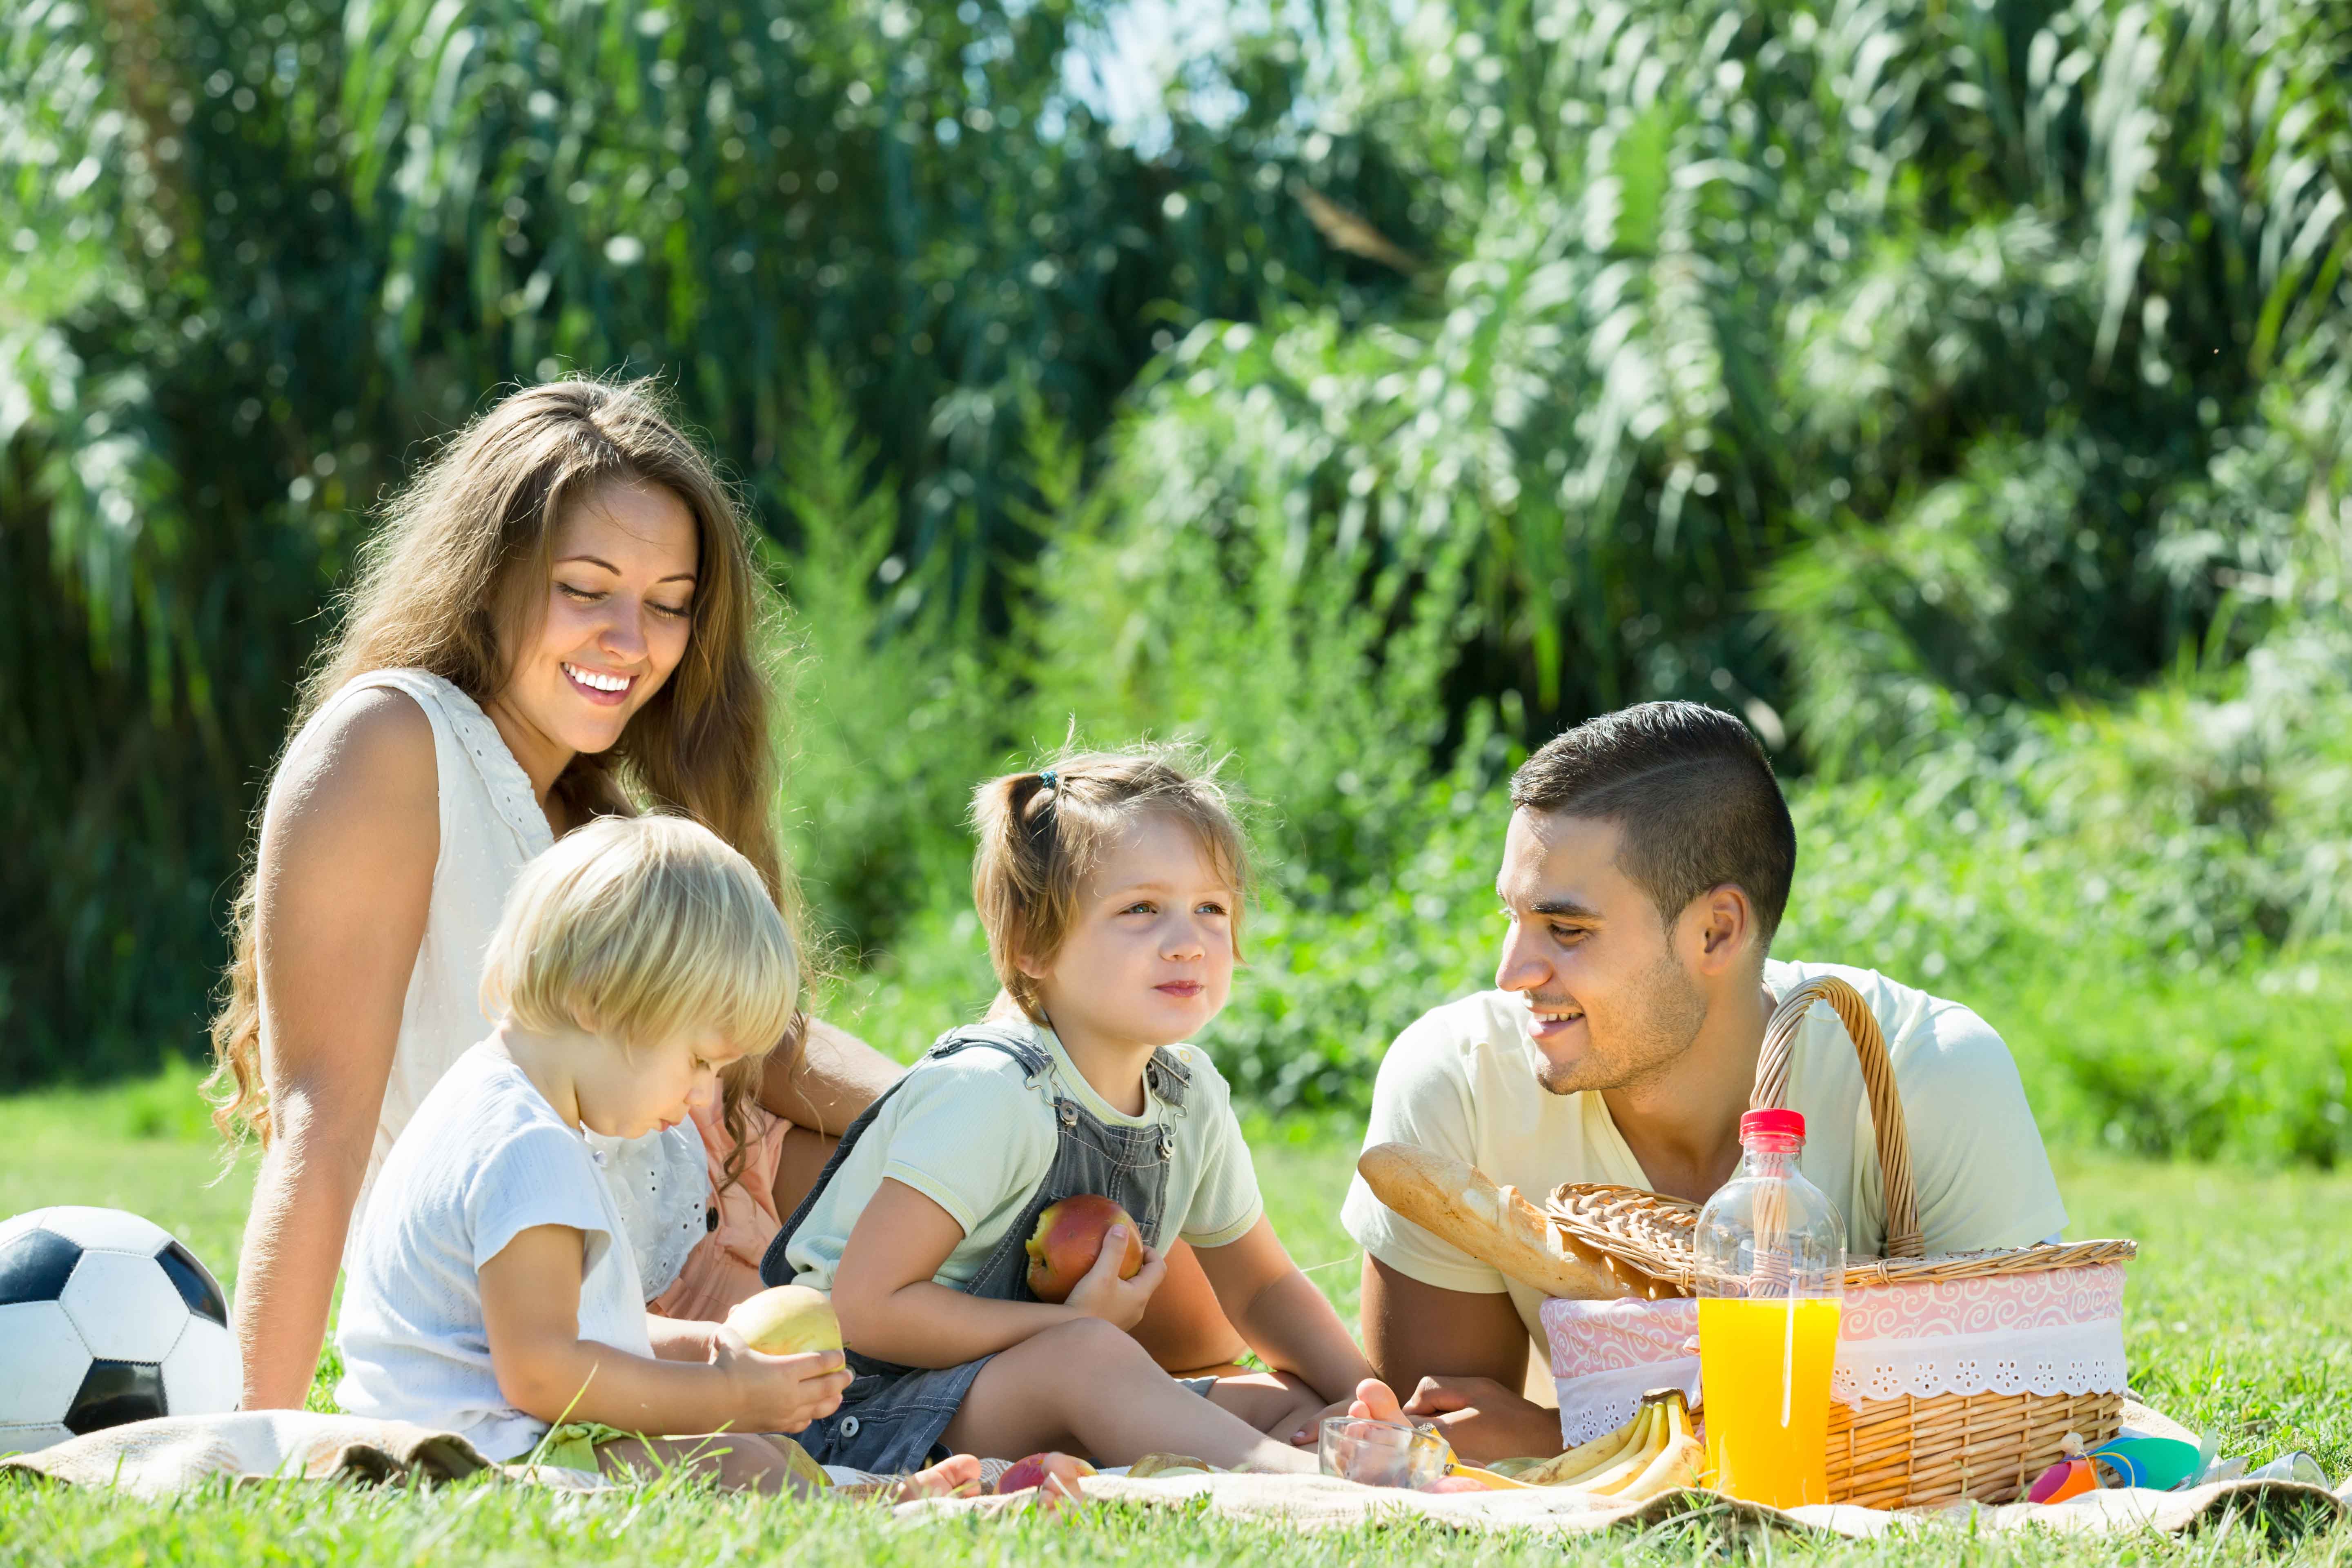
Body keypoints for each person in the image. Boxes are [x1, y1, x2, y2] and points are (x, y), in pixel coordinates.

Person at [207, 379, 907, 1409]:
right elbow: (325, 1124)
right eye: (587, 589)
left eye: (669, 605)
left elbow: (762, 1043)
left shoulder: (586, 816)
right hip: (553, 1302)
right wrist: (255, 1440)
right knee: (982, 1225)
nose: (632, 640)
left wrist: (952, 1113)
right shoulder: (392, 744)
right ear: (487, 576)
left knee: (1010, 1174)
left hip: (675, 1244)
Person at [1341, 702, 2068, 1462]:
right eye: (1512, 916)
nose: (1511, 971)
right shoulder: (1456, 1083)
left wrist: (1579, 1441)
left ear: (1716, 931)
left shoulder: (1929, 1073)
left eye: (1566, 930)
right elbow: (1442, 1436)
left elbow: (2016, 1428)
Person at [762, 750, 1372, 1474]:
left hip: (1022, 1387)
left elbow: (1263, 1287)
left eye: (1211, 907)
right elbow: (872, 1308)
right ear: (1032, 946)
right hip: (858, 1407)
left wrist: (1364, 1395)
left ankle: (1350, 1453)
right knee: (1089, 1358)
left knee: (1292, 1402)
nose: (1188, 943)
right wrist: (1065, 1326)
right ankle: (1303, 1483)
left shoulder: (1188, 1096)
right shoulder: (992, 1092)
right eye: (1141, 909)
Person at [336, 814, 978, 1496]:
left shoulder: (495, 1102)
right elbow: (545, 1371)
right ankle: (877, 1507)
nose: (705, 1096)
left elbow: (569, 1325)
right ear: (597, 998)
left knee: (752, 1454)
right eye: (699, 1060)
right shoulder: (527, 1147)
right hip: (475, 1457)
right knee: (742, 1462)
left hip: (471, 1430)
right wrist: (727, 1399)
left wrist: (705, 1350)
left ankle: (857, 1498)